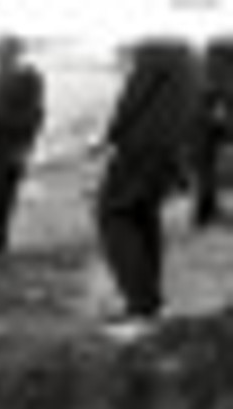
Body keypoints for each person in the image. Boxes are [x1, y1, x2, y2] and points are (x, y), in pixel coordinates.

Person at [93, 38, 200, 320]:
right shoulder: (190, 61)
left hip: (140, 150)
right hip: (169, 150)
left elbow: (131, 103)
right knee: (144, 217)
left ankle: (140, 302)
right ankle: (148, 298)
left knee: (113, 215)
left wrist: (109, 137)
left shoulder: (154, 56)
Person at [0, 35, 46, 255]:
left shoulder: (28, 77)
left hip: (9, 142)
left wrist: (25, 145)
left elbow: (35, 113)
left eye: (2, 52)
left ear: (13, 53)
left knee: (0, 194)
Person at [191, 37, 233, 227]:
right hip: (206, 122)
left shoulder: (204, 69)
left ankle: (205, 213)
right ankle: (206, 213)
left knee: (204, 167)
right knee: (205, 166)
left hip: (201, 123)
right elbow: (222, 96)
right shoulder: (218, 70)